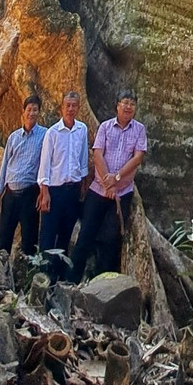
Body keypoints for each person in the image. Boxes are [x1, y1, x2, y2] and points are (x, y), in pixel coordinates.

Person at [69, 91, 147, 282]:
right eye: (125, 103)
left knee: (112, 241)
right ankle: (70, 280)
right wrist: (107, 182)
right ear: (117, 106)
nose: (128, 107)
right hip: (98, 190)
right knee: (85, 235)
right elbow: (97, 154)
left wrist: (117, 177)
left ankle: (103, 286)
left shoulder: (139, 130)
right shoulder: (105, 127)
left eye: (132, 103)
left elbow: (137, 157)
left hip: (123, 193)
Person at [37, 90, 90, 279]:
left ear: (78, 108)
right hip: (54, 191)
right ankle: (43, 276)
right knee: (48, 235)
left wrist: (83, 184)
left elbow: (83, 157)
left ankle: (58, 277)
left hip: (73, 190)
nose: (70, 109)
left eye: (74, 106)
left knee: (65, 234)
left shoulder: (82, 130)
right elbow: (45, 164)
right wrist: (44, 192)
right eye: (67, 105)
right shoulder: (52, 133)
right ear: (62, 108)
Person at [0, 93, 46, 256]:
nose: (32, 113)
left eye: (35, 110)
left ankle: (25, 277)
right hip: (9, 194)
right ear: (23, 112)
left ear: (39, 113)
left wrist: (43, 191)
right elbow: (4, 165)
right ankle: (0, 275)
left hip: (30, 193)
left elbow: (46, 165)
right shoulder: (13, 137)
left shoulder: (45, 135)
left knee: (29, 241)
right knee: (4, 238)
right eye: (29, 109)